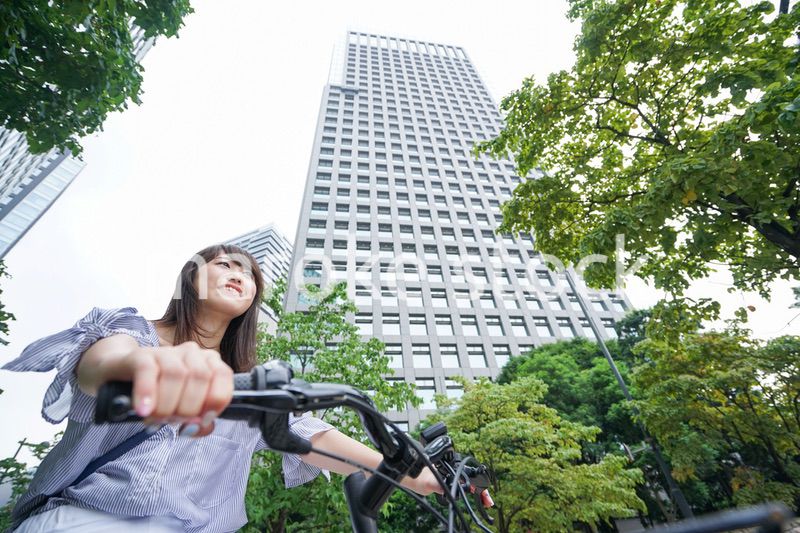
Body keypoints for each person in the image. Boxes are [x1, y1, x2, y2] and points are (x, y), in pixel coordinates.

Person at [2, 244, 439, 532]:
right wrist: (152, 365)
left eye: (248, 273)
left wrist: (411, 475)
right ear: (190, 279)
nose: (238, 273)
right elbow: (103, 364)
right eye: (223, 263)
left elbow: (309, 434)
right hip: (85, 519)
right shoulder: (133, 330)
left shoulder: (250, 386)